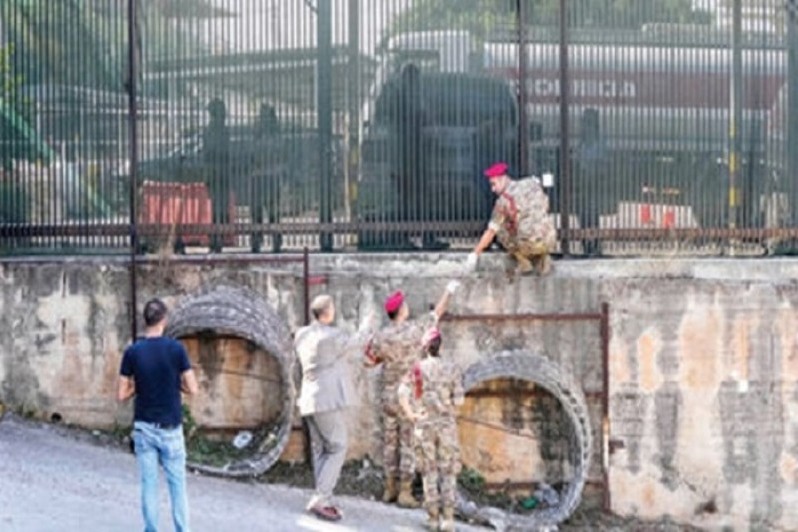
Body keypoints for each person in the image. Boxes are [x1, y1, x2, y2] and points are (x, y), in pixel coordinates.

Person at [367, 279, 460, 507]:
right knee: (408, 443)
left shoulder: (381, 336)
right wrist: (448, 291)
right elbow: (437, 313)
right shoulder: (415, 330)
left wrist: (386, 358)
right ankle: (405, 492)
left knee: (390, 443)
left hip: (388, 396)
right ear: (401, 311)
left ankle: (389, 488)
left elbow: (369, 361)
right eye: (405, 305)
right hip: (409, 397)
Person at [117, 298, 199, 532]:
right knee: (177, 486)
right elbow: (193, 388)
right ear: (164, 320)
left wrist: (137, 386)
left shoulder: (132, 352)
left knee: (149, 485)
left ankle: (151, 529)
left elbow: (121, 394)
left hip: (144, 427)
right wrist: (177, 384)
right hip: (170, 427)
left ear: (145, 321)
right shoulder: (176, 349)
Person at [294, 294, 375, 522]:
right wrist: (367, 323)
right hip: (326, 399)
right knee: (338, 446)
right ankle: (322, 497)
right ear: (327, 313)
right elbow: (356, 342)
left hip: (309, 397)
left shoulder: (302, 335)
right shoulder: (330, 337)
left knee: (321, 448)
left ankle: (322, 496)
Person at [398, 326, 465, 532]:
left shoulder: (417, 369)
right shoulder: (452, 369)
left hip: (424, 425)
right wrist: (447, 408)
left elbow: (402, 393)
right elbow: (460, 400)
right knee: (448, 471)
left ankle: (433, 518)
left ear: (425, 348)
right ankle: (449, 519)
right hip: (446, 427)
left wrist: (411, 414)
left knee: (429, 472)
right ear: (440, 346)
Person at [467, 162, 556, 277]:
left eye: (493, 184)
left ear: (502, 179)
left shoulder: (504, 201)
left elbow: (491, 232)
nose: (492, 189)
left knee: (501, 230)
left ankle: (524, 261)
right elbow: (546, 204)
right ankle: (542, 257)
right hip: (550, 239)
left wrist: (475, 253)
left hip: (528, 244)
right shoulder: (530, 184)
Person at [249, 103, 283, 253]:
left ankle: (272, 240)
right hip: (263, 175)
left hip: (267, 175)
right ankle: (259, 240)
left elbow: (254, 155)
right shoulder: (265, 136)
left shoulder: (272, 138)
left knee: (271, 211)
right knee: (260, 211)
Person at [203, 98, 231, 253]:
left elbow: (208, 153)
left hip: (215, 173)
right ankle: (216, 238)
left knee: (217, 207)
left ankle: (215, 238)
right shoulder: (219, 130)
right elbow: (219, 152)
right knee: (219, 207)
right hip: (220, 173)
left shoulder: (210, 130)